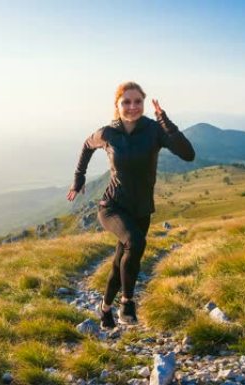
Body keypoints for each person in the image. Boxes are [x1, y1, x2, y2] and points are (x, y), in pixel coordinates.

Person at [66, 81, 195, 328]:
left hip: (141, 209)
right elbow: (86, 145)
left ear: (144, 104)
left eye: (138, 101)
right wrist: (78, 179)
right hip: (112, 206)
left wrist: (164, 121)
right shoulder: (107, 133)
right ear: (117, 105)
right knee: (135, 243)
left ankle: (104, 309)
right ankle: (127, 304)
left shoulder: (154, 130)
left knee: (120, 263)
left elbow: (188, 154)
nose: (133, 106)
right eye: (126, 101)